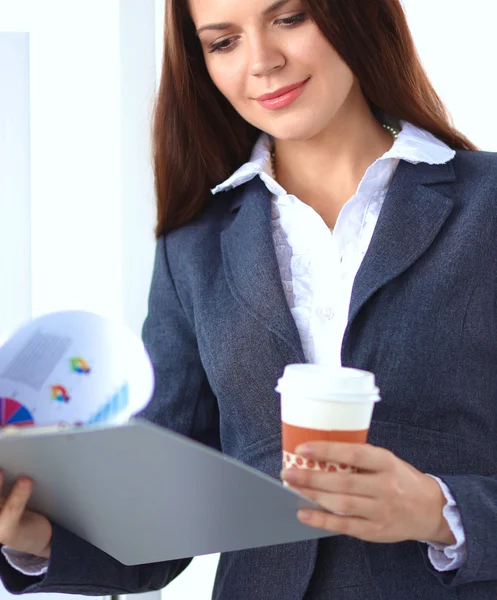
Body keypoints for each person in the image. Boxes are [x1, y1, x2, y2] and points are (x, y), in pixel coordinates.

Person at [1, 0, 497, 598]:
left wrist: (442, 513)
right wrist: (32, 533)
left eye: (289, 19)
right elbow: (154, 516)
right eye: (222, 42)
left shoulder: (486, 205)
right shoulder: (193, 249)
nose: (262, 62)